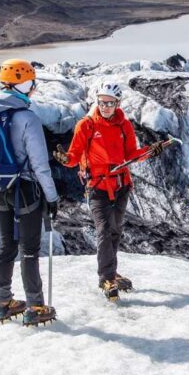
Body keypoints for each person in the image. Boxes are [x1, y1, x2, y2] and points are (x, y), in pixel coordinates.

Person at [53, 83, 163, 302]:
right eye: (102, 102)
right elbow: (74, 156)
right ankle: (106, 277)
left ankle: (111, 271)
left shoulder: (125, 126)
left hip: (121, 185)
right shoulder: (86, 125)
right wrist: (66, 160)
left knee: (115, 231)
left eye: (110, 103)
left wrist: (149, 151)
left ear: (117, 104)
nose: (105, 107)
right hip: (97, 186)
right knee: (104, 230)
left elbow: (131, 154)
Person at [0, 59, 59, 326]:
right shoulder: (27, 118)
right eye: (31, 83)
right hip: (26, 191)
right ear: (25, 84)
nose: (33, 88)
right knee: (29, 250)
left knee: (7, 246)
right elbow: (40, 166)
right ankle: (35, 306)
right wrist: (51, 198)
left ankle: (3, 302)